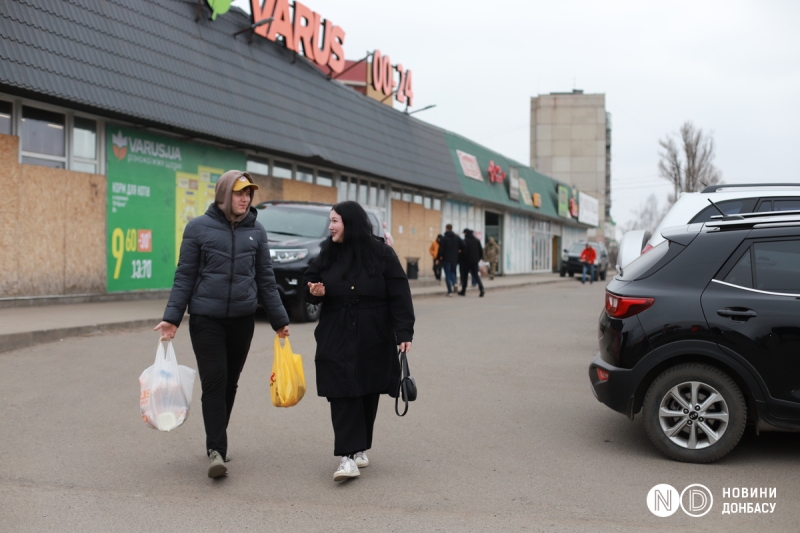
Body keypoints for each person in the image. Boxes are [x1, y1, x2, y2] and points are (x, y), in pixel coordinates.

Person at [154, 170, 290, 479]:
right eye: (240, 192)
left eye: (249, 193)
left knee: (230, 383)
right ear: (224, 194)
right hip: (206, 319)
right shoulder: (198, 229)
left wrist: (279, 320)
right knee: (214, 382)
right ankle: (217, 449)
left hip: (242, 320)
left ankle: (217, 439)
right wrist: (172, 318)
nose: (245, 198)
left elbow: (266, 281)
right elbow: (184, 276)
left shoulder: (257, 232)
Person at [304, 201, 415, 482]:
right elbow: (310, 281)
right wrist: (315, 292)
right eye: (330, 221)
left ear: (350, 223)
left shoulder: (381, 253)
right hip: (335, 329)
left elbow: (399, 292)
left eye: (335, 221)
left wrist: (404, 333)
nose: (330, 226)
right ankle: (347, 456)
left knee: (366, 389)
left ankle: (360, 446)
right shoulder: (328, 252)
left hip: (373, 330)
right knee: (340, 390)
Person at [437, 224, 463, 296]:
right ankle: (454, 282)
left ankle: (450, 291)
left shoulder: (444, 238)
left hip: (446, 259)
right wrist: (459, 250)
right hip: (454, 258)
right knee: (452, 272)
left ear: (446, 228)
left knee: (447, 274)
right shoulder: (456, 237)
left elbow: (441, 250)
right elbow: (463, 244)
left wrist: (439, 258)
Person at [458, 229, 485, 297]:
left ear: (466, 233)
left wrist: (462, 259)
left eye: (464, 233)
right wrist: (478, 259)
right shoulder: (477, 241)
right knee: (476, 275)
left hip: (466, 262)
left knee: (465, 276)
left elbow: (463, 252)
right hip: (475, 261)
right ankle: (481, 288)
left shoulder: (465, 241)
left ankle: (463, 291)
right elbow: (481, 251)